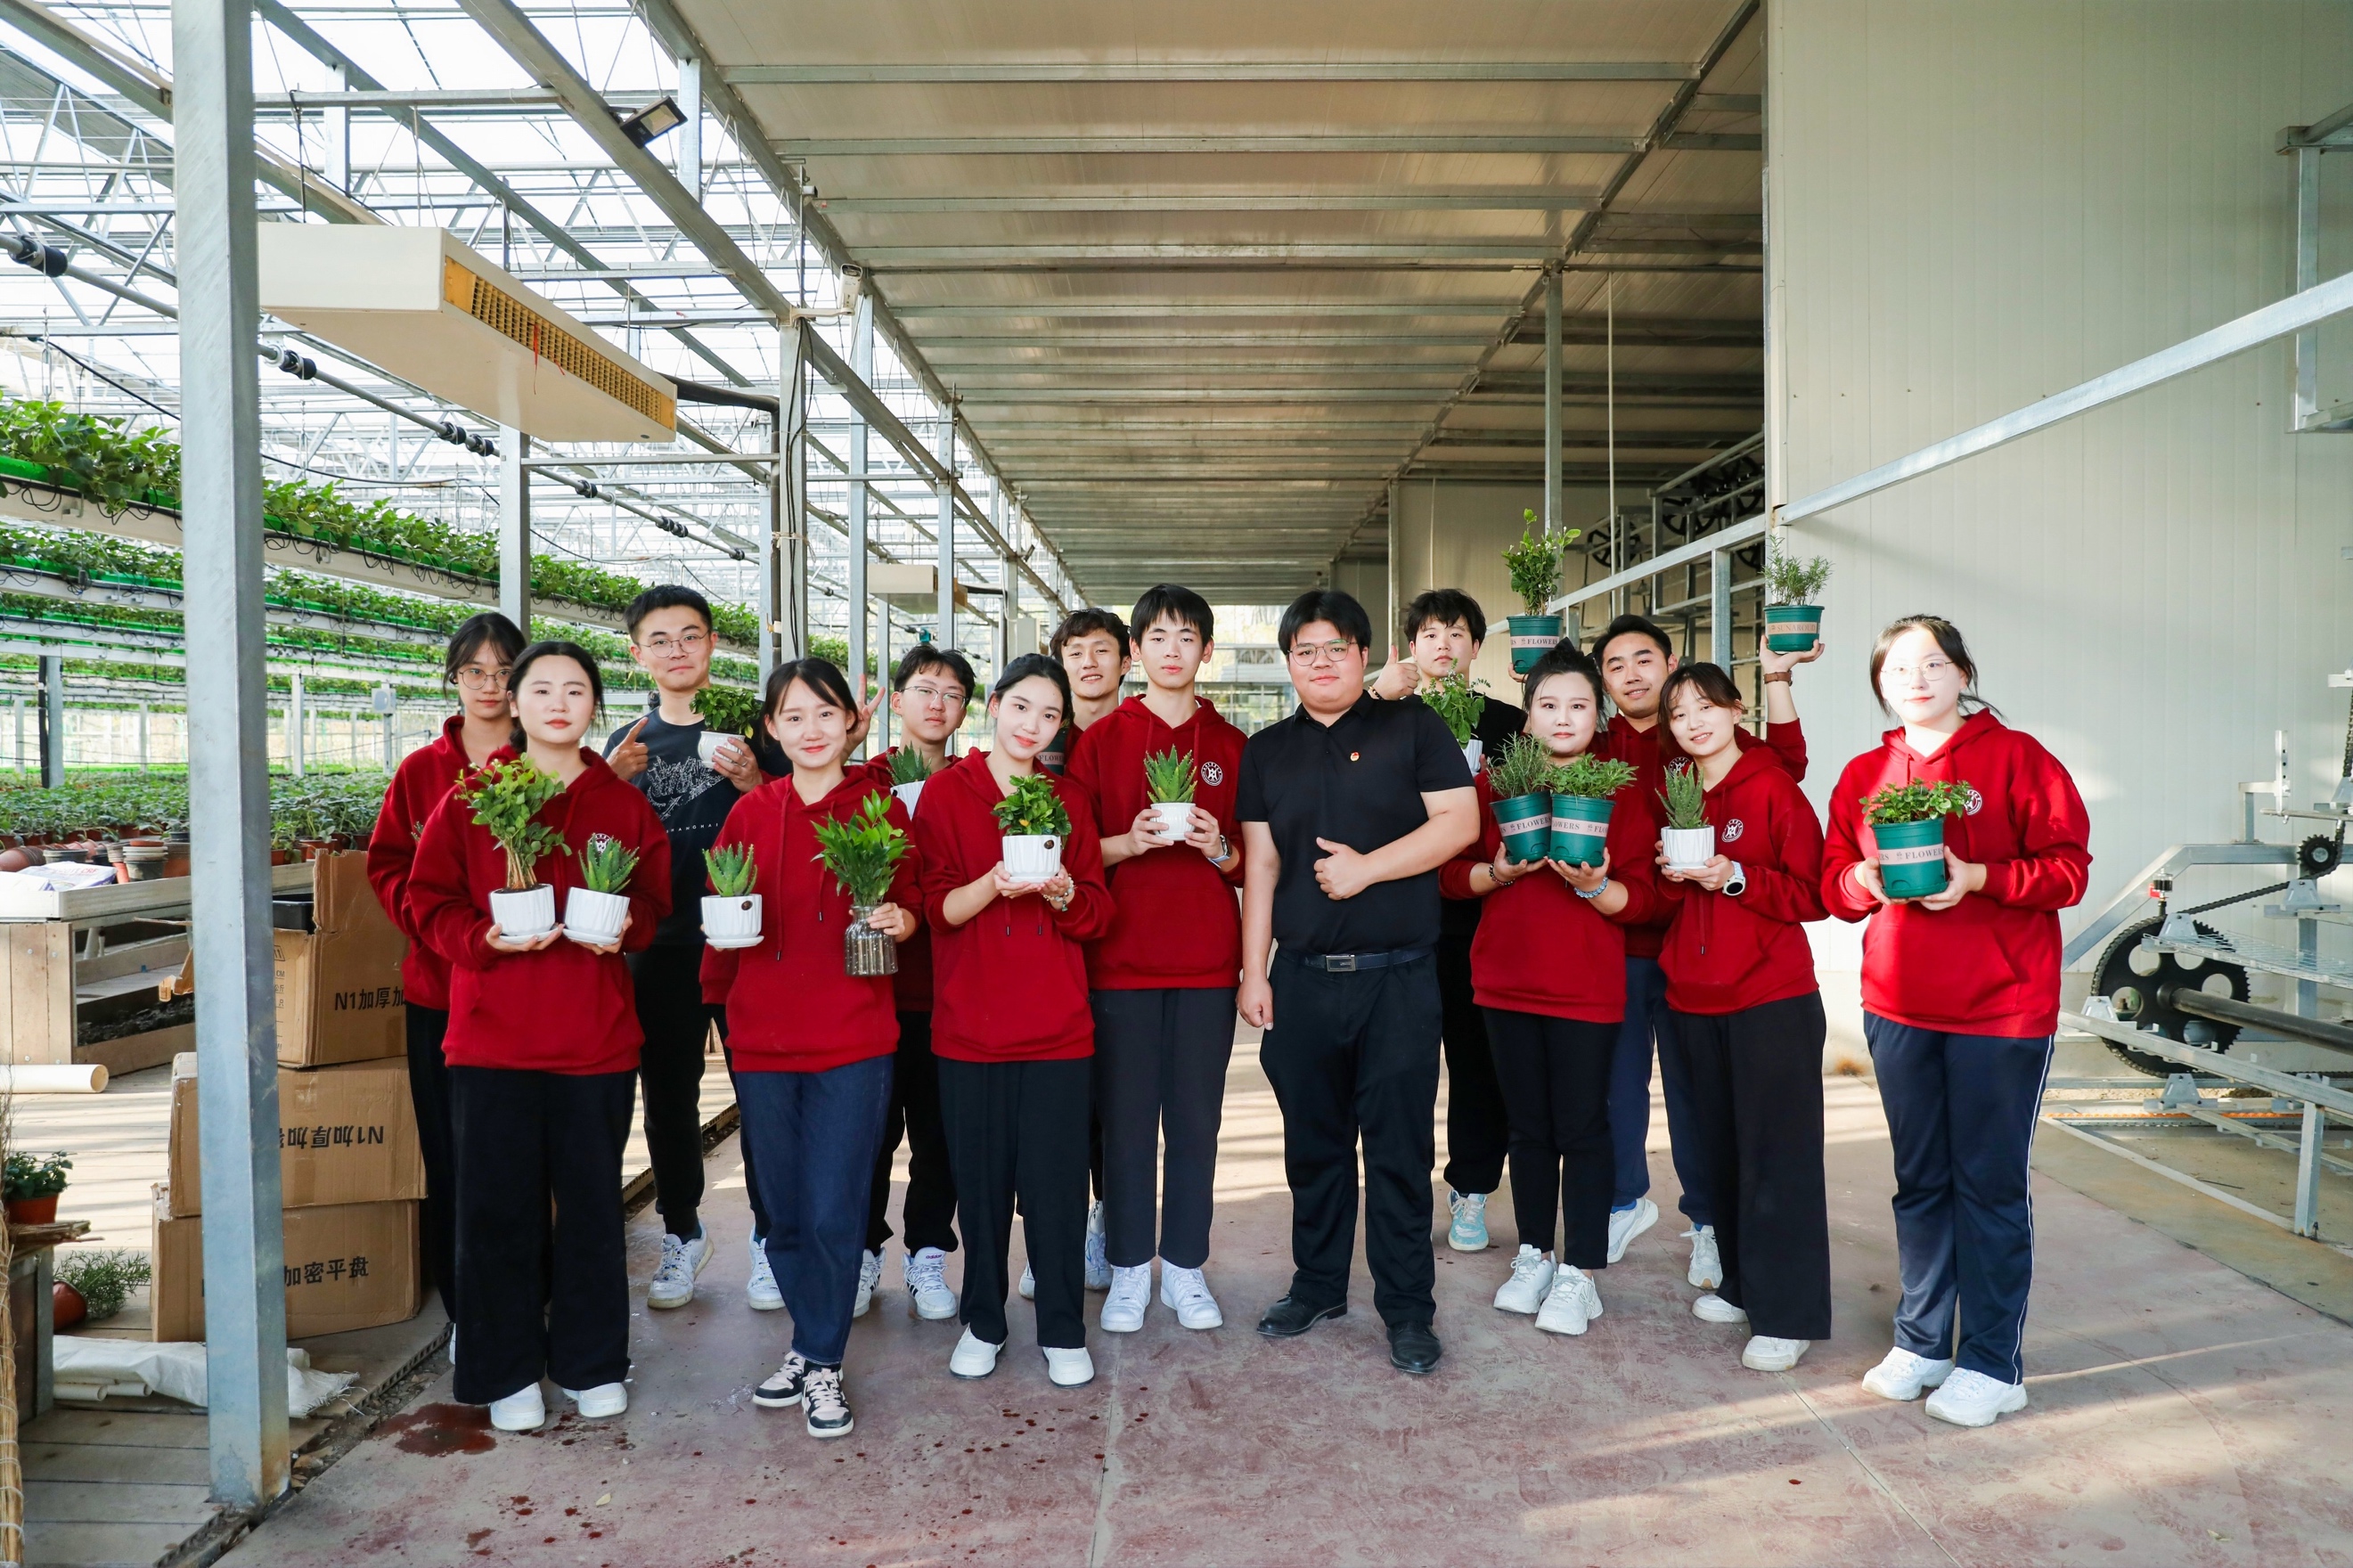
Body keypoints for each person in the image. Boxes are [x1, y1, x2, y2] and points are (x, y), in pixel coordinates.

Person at [1823, 616, 2090, 1429]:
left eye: (1932, 663)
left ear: (1962, 674)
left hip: (1999, 1009)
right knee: (1920, 1181)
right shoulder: (1865, 773)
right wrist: (1862, 880)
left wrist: (1978, 877)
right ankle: (1922, 1341)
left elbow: (2067, 870)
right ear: (1879, 682)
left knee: (1988, 1184)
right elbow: (1832, 881)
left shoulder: (2017, 759)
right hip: (1899, 1005)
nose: (1915, 678)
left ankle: (1991, 1363)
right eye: (1898, 668)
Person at [407, 641, 671, 1433]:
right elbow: (427, 900)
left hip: (594, 1040)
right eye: (542, 689)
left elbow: (654, 904)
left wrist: (626, 927)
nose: (559, 703)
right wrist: (480, 939)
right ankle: (507, 1370)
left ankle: (593, 1362)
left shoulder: (622, 804)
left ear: (596, 706)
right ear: (514, 703)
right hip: (492, 1041)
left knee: (591, 1207)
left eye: (576, 690)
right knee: (497, 1210)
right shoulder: (473, 798)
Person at [1237, 589, 1480, 1376]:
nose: (1320, 662)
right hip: (1301, 980)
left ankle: (1407, 1310)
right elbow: (1261, 866)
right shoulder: (1265, 751)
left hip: (1397, 979)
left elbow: (1460, 823)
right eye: (1304, 650)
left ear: (1363, 655)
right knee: (1313, 1148)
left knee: (1399, 1152)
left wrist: (1366, 870)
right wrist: (1253, 972)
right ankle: (1317, 1287)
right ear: (1287, 662)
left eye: (1335, 648)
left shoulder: (1412, 727)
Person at [703, 657, 922, 1441]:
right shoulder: (751, 814)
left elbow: (915, 899)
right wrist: (719, 1016)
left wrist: (902, 919)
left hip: (852, 1039)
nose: (811, 730)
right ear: (771, 728)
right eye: (793, 717)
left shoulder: (879, 810)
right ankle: (809, 1341)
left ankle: (822, 1358)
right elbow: (721, 914)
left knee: (834, 1205)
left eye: (826, 713)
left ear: (851, 723)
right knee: (782, 1208)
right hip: (762, 1041)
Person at [1439, 642, 1657, 1338]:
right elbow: (1451, 874)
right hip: (1504, 982)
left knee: (1582, 1128)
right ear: (1526, 716)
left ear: (1598, 716)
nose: (1563, 717)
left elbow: (1648, 898)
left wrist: (1596, 886)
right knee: (1527, 1129)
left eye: (1578, 705)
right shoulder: (1496, 785)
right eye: (1548, 705)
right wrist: (1498, 873)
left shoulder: (1620, 791)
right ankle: (1534, 1253)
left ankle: (1580, 1274)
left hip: (1584, 987)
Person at [1591, 612, 1815, 1287]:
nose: (1631, 674)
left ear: (1669, 665)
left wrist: (1777, 680)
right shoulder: (1597, 745)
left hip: (1704, 951)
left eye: (1644, 660)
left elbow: (1785, 767)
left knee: (1696, 1099)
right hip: (1621, 943)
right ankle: (1623, 1200)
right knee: (1617, 1087)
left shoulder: (1704, 750)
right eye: (1614, 665)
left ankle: (1709, 1222)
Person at [914, 654, 1114, 1387]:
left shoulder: (1069, 800)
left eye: (1050, 714)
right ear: (994, 706)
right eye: (1022, 706)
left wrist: (1061, 893)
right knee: (981, 1186)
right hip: (970, 1028)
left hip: (1058, 1026)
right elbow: (936, 907)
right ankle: (984, 1321)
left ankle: (1062, 1326)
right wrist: (994, 883)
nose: (1033, 725)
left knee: (1057, 1185)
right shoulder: (946, 793)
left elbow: (1097, 914)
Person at [1065, 584, 1247, 1335]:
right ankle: (1131, 1268)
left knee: (1197, 1121)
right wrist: (1128, 842)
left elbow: (1253, 861)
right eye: (1158, 638)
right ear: (1135, 652)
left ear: (1207, 651)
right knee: (1127, 1124)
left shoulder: (1231, 745)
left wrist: (1219, 847)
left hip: (1206, 962)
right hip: (1120, 961)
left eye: (1187, 638)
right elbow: (1073, 855)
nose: (1173, 651)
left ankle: (1185, 1267)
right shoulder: (1101, 741)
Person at [1653, 662, 1831, 1375]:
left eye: (1705, 707)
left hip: (1768, 998)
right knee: (1718, 1155)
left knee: (1777, 1161)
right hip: (1691, 998)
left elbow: (1813, 893)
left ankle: (1787, 1314)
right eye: (1678, 714)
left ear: (1734, 709)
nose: (1692, 723)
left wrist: (1732, 876)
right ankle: (1739, 1283)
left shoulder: (1771, 787)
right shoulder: (1679, 792)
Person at [603, 586, 769, 1312]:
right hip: (659, 944)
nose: (677, 650)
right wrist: (610, 784)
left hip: (742, 940)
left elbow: (788, 820)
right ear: (638, 653)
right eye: (661, 639)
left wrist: (755, 781)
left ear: (711, 646)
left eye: (691, 635)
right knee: (667, 1095)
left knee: (761, 1091)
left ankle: (770, 1236)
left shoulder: (752, 735)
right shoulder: (624, 743)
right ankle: (682, 1231)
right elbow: (596, 842)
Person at [365, 610, 526, 1335]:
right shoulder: (422, 772)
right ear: (453, 679)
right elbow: (388, 866)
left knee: (521, 1154)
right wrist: (435, 928)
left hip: (527, 994)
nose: (489, 686)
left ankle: (529, 1294)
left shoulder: (546, 761)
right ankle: (469, 1312)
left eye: (504, 671)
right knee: (452, 1150)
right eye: (474, 671)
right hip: (441, 989)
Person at [1371, 589, 1526, 1255]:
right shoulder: (1384, 718)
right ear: (1411, 646)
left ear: (1476, 647)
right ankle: (1402, 1193)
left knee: (1476, 1062)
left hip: (1480, 915)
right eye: (1430, 633)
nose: (1443, 644)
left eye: (1456, 633)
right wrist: (1375, 699)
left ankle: (1471, 1190)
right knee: (1399, 1067)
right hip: (1397, 914)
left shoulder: (1508, 723)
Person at [849, 643, 976, 1324]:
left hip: (947, 990)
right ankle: (864, 1251)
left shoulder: (974, 785)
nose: (937, 703)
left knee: (939, 1135)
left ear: (964, 711)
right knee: (869, 1134)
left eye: (952, 694)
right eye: (924, 689)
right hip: (872, 992)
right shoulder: (859, 782)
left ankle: (927, 1251)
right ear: (896, 700)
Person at [1042, 605, 1132, 1289]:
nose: (1088, 663)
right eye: (1075, 652)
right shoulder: (1042, 739)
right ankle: (1055, 1231)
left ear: (1125, 661)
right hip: (1053, 942)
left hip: (1127, 941)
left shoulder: (1143, 736)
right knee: (1058, 1100)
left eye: (1101, 649)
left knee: (1115, 1099)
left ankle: (1103, 1224)